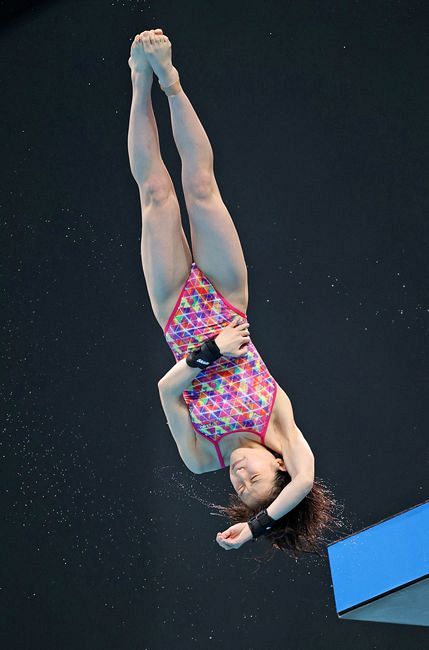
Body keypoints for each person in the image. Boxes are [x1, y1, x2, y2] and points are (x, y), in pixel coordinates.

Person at [127, 29, 343, 557]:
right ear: (278, 466)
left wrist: (209, 353)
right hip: (227, 299)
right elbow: (305, 483)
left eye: (240, 487)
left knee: (156, 193)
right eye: (258, 481)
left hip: (178, 316)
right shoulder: (280, 425)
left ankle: (137, 81)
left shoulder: (203, 458)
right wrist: (255, 528)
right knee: (201, 186)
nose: (243, 476)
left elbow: (166, 389)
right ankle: (171, 82)